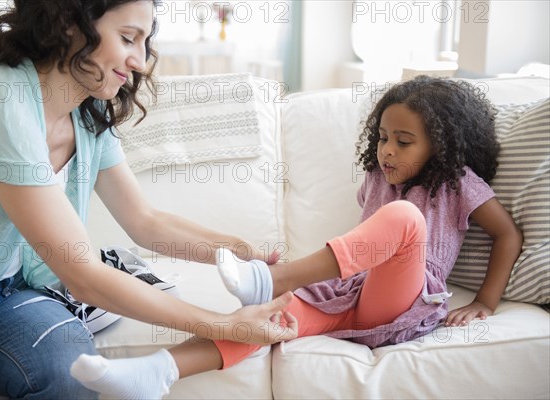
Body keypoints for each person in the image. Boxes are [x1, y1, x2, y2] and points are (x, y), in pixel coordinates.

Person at [71, 76, 524, 399]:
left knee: (405, 216)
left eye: (403, 142)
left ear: (440, 146)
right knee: (262, 317)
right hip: (350, 297)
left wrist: (485, 301)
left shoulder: (458, 183)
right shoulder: (377, 177)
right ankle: (156, 372)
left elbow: (507, 236)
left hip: (403, 302)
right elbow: (364, 240)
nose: (387, 150)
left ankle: (275, 276)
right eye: (383, 137)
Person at [0, 1, 298, 399]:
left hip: (0, 297)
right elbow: (82, 275)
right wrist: (223, 324)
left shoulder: (88, 113)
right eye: (128, 38)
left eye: (145, 42)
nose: (139, 60)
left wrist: (240, 252)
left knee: (73, 377)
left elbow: (145, 220)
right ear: (68, 23)